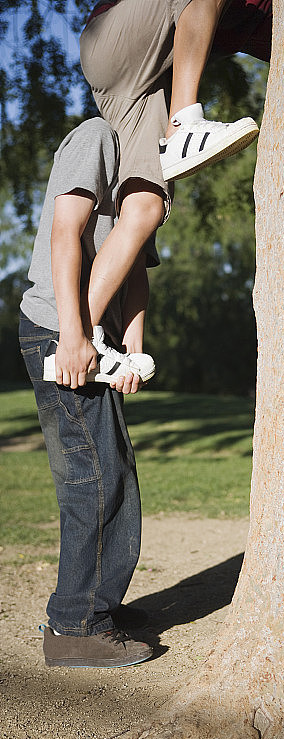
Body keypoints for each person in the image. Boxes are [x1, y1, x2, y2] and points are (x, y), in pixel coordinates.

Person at [76, 0, 272, 390]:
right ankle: (184, 124)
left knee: (145, 209)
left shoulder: (265, 15)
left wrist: (132, 344)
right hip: (112, 41)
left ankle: (81, 338)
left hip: (147, 83)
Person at [19, 117, 155, 668]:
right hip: (62, 329)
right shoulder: (97, 136)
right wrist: (72, 336)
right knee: (92, 480)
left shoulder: (143, 171)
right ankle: (75, 625)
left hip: (100, 341)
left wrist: (133, 352)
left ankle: (99, 605)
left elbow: (137, 272)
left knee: (114, 474)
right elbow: (65, 231)